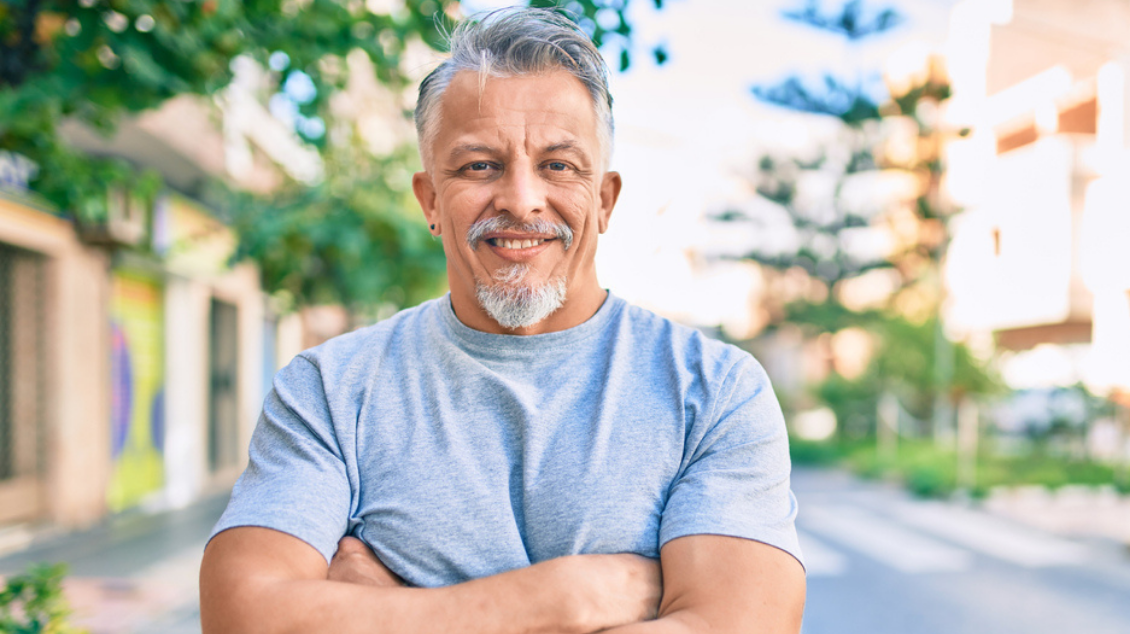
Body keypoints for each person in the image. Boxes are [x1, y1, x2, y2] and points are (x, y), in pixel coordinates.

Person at [199, 7, 806, 634]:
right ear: (431, 200)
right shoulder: (328, 389)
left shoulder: (714, 392)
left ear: (604, 201)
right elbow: (243, 617)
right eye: (479, 166)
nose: (520, 200)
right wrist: (565, 597)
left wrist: (391, 612)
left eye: (559, 165)